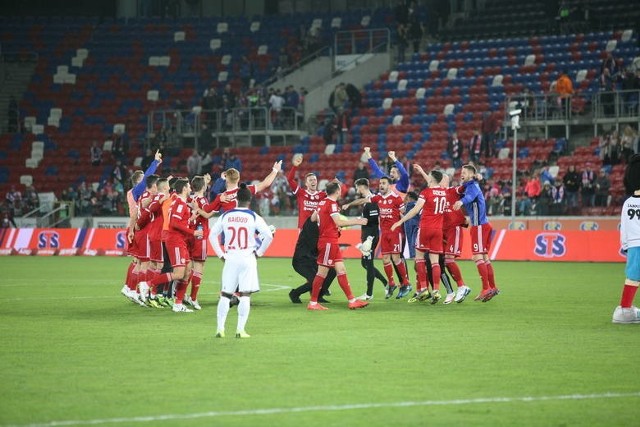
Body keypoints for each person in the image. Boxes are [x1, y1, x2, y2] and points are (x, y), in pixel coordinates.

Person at [211, 184, 274, 338]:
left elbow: (212, 235)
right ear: (249, 200)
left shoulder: (226, 216)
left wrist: (220, 254)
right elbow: (268, 235)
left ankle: (220, 329)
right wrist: (259, 252)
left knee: (225, 294)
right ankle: (240, 330)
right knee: (245, 294)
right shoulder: (253, 216)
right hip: (247, 258)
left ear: (236, 200)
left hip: (230, 257)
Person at [307, 181, 369, 311]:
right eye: (340, 189)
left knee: (341, 270)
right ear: (337, 191)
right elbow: (339, 222)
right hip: (328, 242)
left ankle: (352, 301)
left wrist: (325, 223)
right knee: (322, 273)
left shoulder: (322, 202)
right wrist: (358, 221)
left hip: (331, 241)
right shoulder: (332, 204)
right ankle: (313, 303)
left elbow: (313, 218)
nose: (341, 191)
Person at [347, 176, 412, 299]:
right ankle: (391, 283)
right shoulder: (378, 198)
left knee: (396, 258)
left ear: (389, 185)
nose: (381, 185)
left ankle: (406, 283)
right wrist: (349, 204)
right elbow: (363, 201)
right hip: (384, 233)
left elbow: (404, 212)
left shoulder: (396, 198)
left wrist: (400, 223)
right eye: (380, 183)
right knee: (386, 259)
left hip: (395, 232)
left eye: (383, 183)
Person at [147, 178, 203, 313]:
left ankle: (178, 303)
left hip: (179, 240)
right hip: (175, 240)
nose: (190, 189)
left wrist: (191, 218)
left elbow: (179, 221)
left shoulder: (179, 203)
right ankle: (148, 284)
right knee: (178, 273)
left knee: (188, 270)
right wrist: (193, 232)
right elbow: (174, 223)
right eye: (189, 187)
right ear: (184, 189)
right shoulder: (180, 204)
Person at [392, 168, 447, 304]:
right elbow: (433, 182)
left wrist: (400, 221)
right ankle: (436, 290)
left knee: (419, 258)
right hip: (438, 230)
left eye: (428, 176)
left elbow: (416, 210)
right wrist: (422, 170)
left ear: (432, 179)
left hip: (425, 228)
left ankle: (423, 288)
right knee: (435, 262)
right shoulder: (444, 193)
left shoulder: (426, 193)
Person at [453, 164, 500, 302]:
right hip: (483, 225)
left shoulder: (472, 187)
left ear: (472, 175)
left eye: (465, 172)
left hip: (479, 226)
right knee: (484, 258)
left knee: (477, 257)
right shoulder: (470, 185)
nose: (462, 174)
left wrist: (461, 202)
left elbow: (469, 197)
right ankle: (492, 287)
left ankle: (486, 289)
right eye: (461, 171)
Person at [342, 178, 391, 300]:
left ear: (361, 186)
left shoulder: (372, 200)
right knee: (364, 263)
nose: (357, 189)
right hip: (367, 235)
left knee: (368, 264)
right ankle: (386, 283)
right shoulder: (366, 200)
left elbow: (374, 219)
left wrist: (359, 220)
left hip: (371, 236)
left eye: (357, 187)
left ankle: (369, 294)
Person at [613, 154, 640, 323]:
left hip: (634, 246)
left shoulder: (628, 203)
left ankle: (624, 309)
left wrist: (625, 245)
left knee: (632, 277)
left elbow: (624, 227)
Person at [288, 216, 336, 304]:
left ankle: (318, 296)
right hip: (301, 261)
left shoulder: (323, 228)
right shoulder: (310, 224)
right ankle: (295, 293)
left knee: (332, 272)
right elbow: (316, 244)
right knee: (315, 280)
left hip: (313, 260)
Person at [286, 154, 327, 229]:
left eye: (314, 180)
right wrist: (295, 166)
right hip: (303, 228)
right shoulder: (301, 193)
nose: (313, 182)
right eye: (310, 180)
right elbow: (290, 180)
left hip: (317, 228)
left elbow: (333, 198)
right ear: (306, 183)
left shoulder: (322, 195)